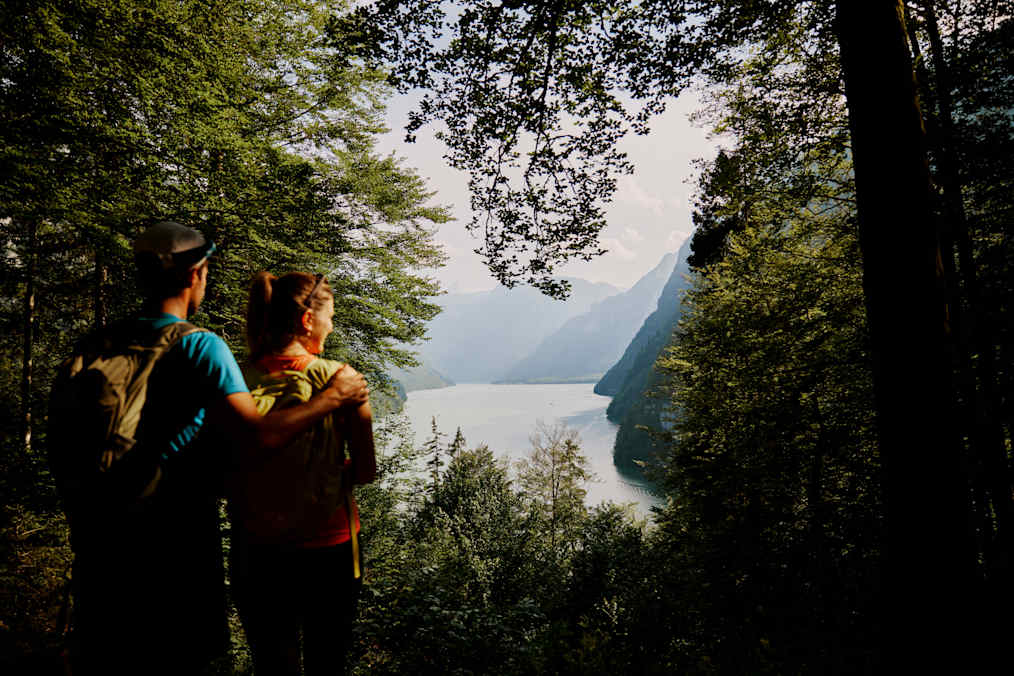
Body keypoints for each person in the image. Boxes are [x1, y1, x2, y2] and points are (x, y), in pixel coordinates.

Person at [62, 222, 369, 675]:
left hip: (104, 536)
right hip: (179, 537)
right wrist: (332, 399)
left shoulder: (95, 345)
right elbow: (257, 436)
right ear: (195, 275)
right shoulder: (201, 346)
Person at [228, 271, 376, 676]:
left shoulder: (236, 379)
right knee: (328, 662)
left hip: (254, 547)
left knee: (273, 664)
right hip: (328, 547)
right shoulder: (341, 379)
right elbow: (366, 470)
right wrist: (327, 471)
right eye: (330, 315)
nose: (333, 324)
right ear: (308, 320)